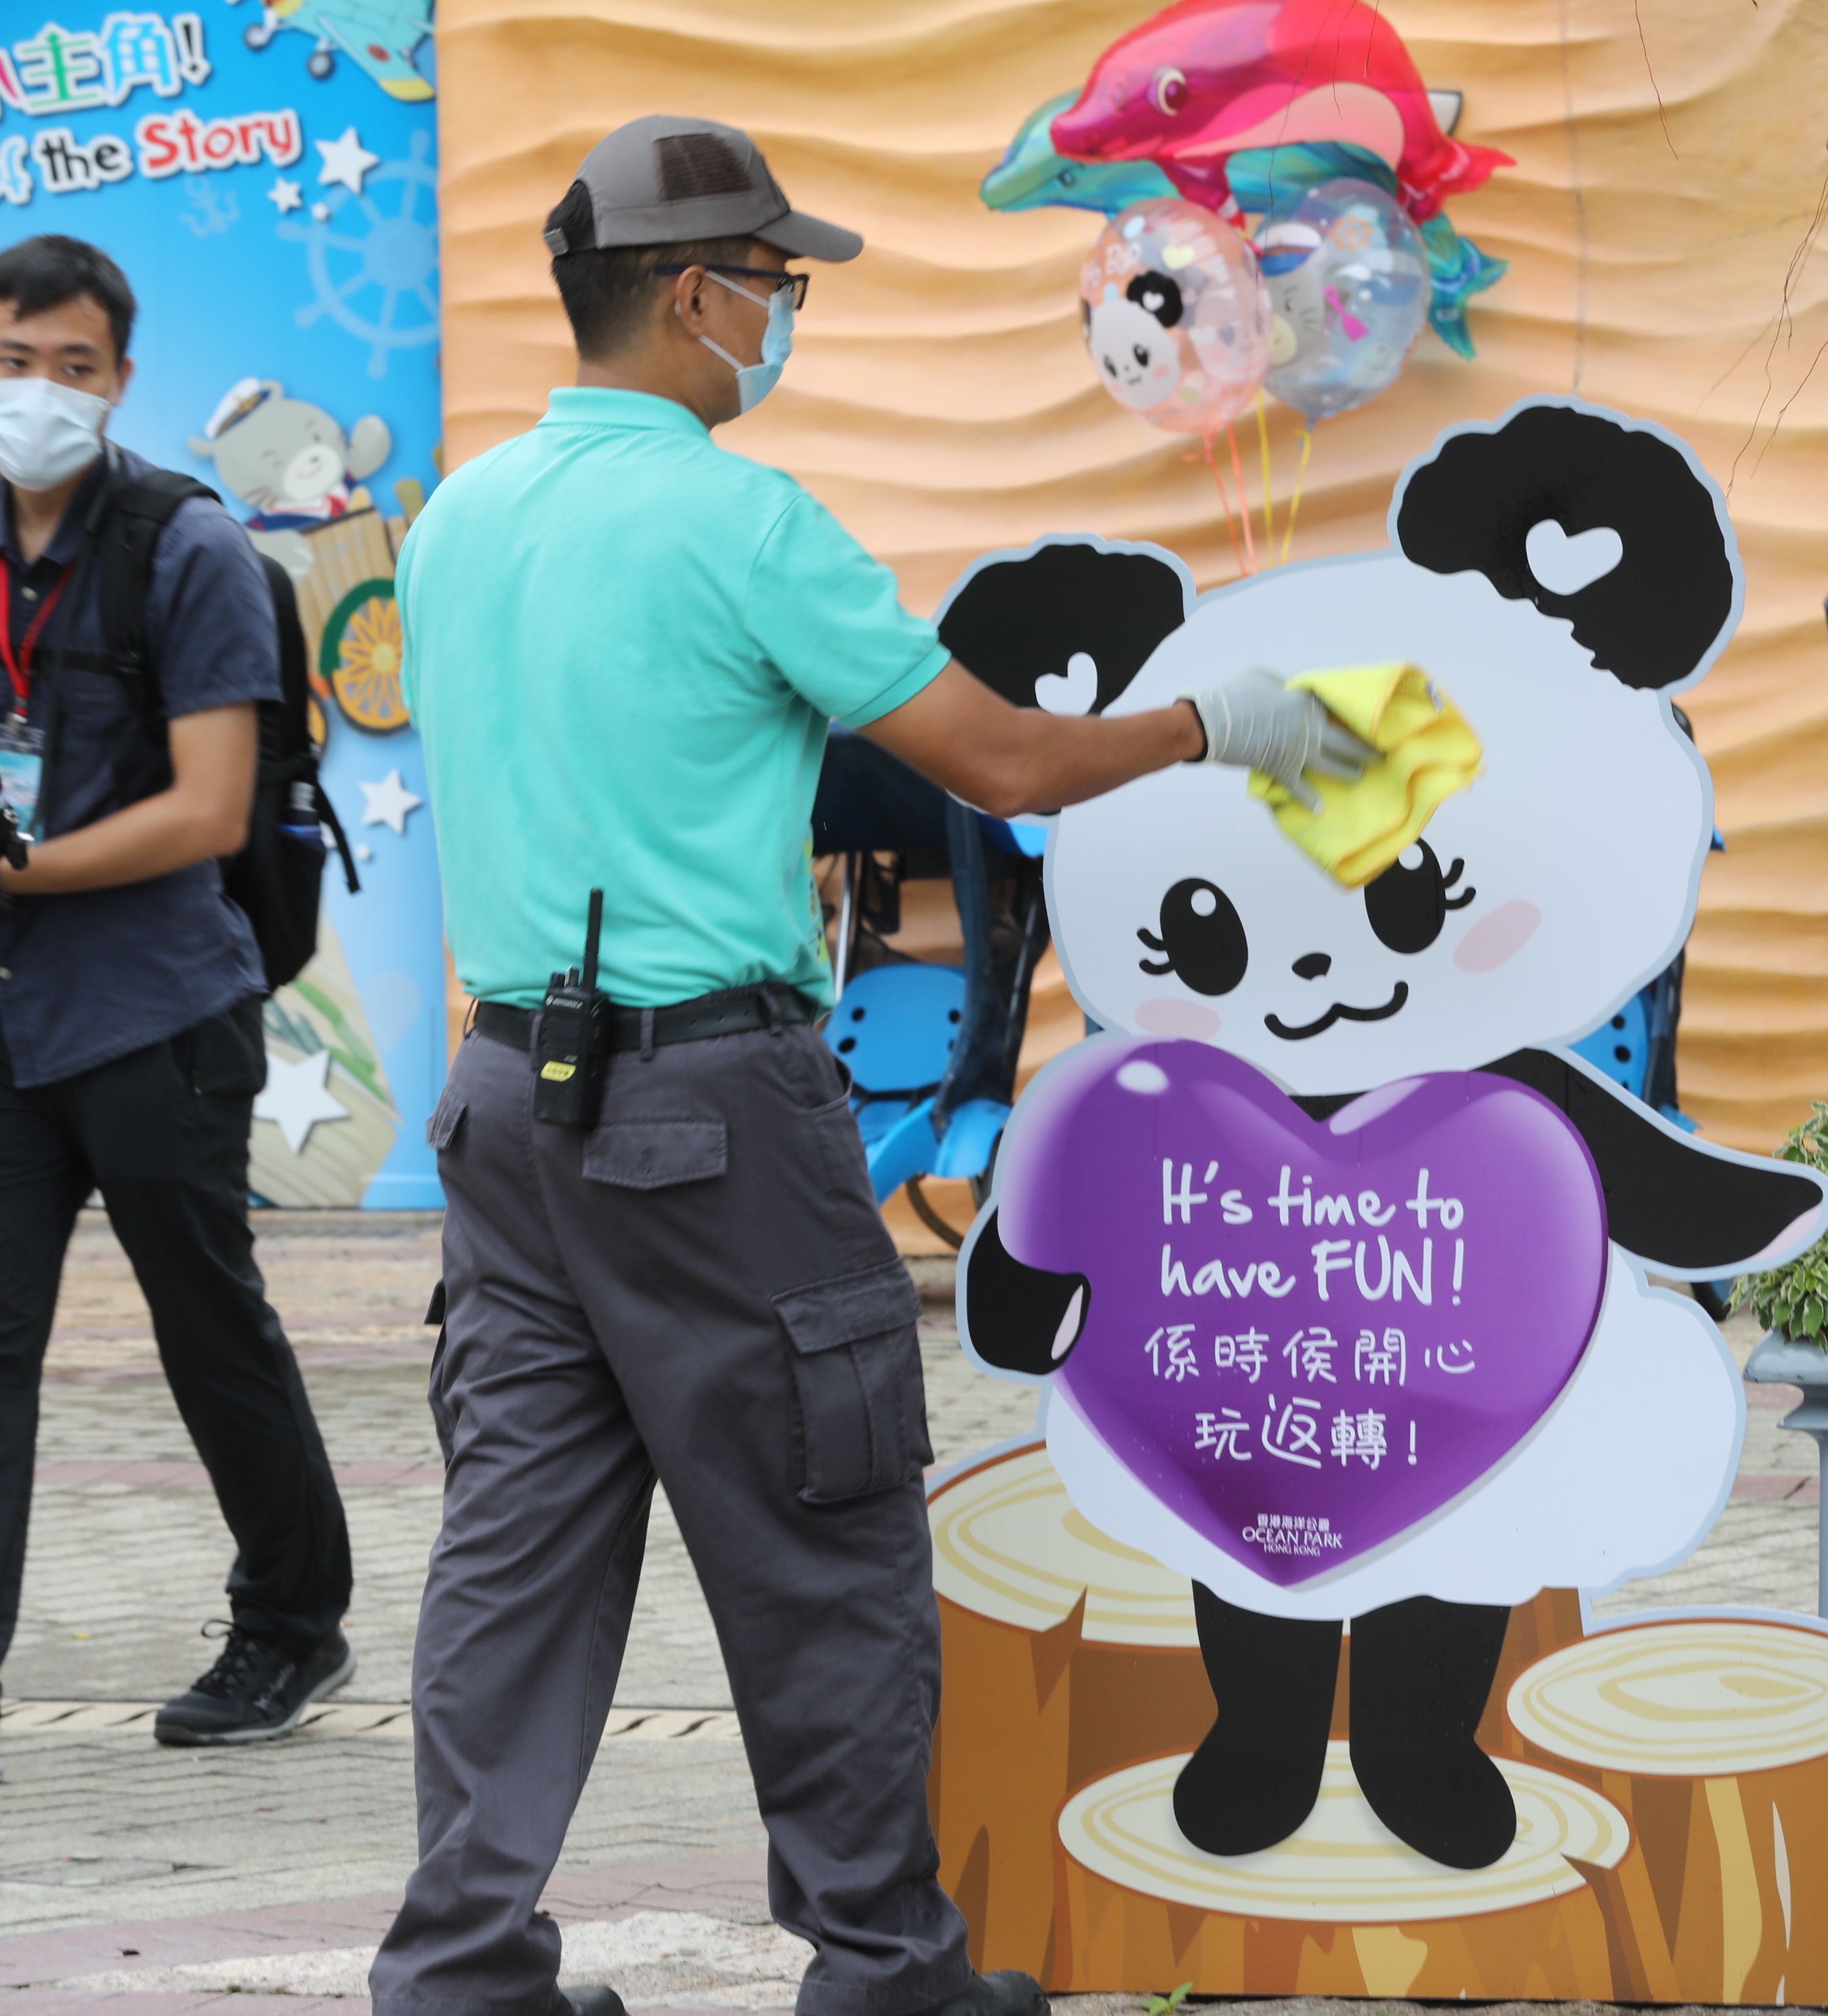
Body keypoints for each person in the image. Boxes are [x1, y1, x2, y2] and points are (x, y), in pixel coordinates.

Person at [375, 119, 1369, 2016]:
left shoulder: (463, 518)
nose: (785, 316)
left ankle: (459, 1968)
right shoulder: (743, 521)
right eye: (777, 282)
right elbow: (998, 764)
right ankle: (885, 1965)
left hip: (507, 1105)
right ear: (691, 295)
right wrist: (1217, 720)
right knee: (822, 1534)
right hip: (708, 1107)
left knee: (513, 1551)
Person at [0, 234, 355, 1746]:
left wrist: (22, 871)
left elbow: (212, 811)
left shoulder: (185, 546)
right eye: (12, 363)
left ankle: (291, 1628)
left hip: (160, 1015)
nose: (39, 393)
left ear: (121, 380)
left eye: (72, 367)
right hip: (16, 1027)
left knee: (205, 1325)